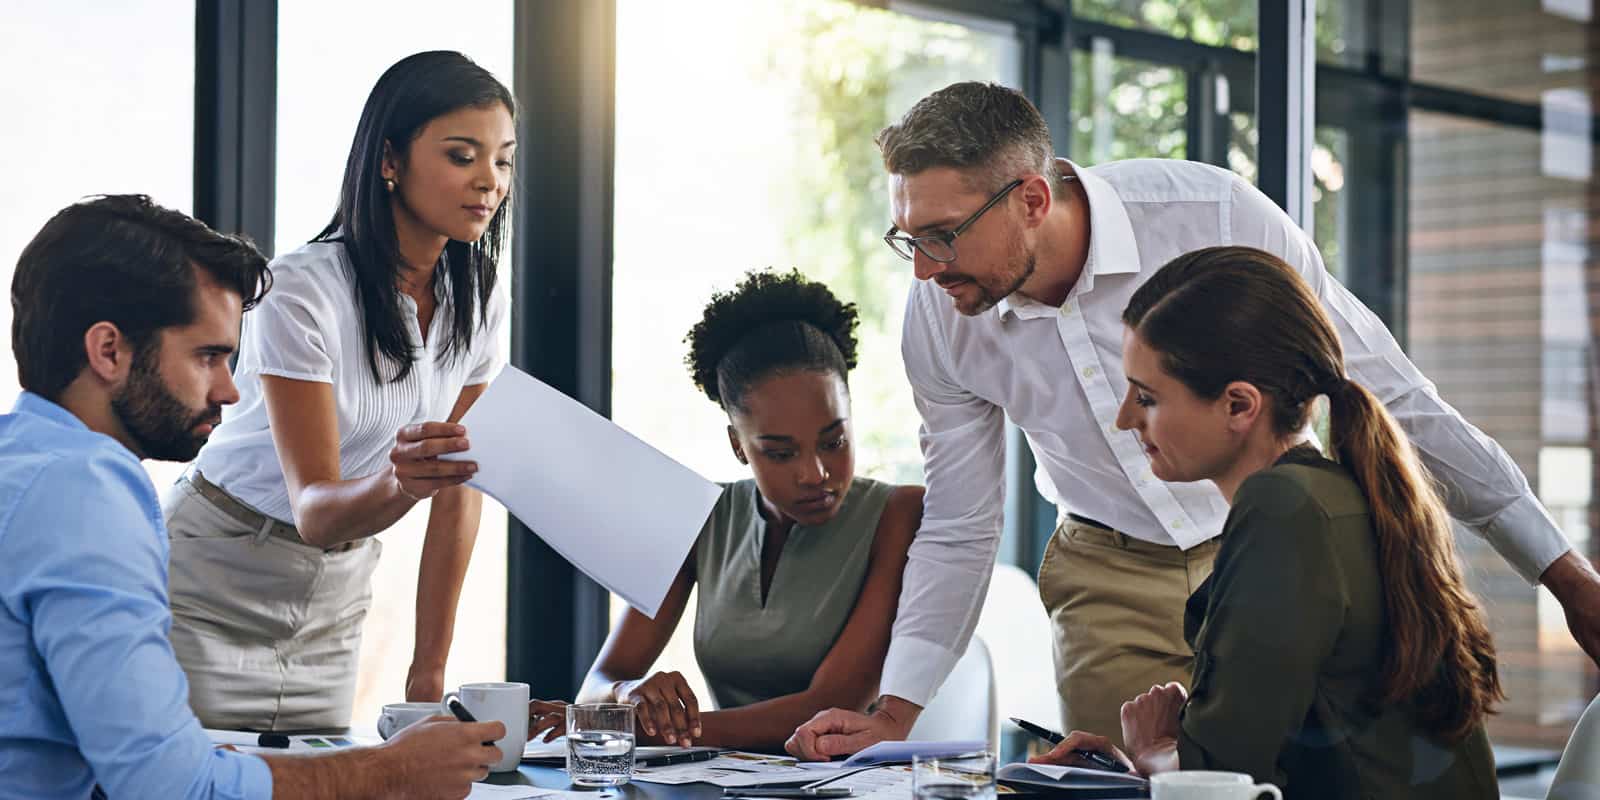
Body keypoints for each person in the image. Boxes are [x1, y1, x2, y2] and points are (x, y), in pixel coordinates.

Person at [785, 80, 1600, 759]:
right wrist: (897, 713)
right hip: (1110, 576)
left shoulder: (1210, 217)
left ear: (1031, 198)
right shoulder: (939, 318)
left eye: (942, 235)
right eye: (907, 239)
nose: (924, 269)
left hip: (1278, 551)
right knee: (1125, 781)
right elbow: (963, 520)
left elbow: (1391, 391)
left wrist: (1564, 575)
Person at [0, 194, 505, 800]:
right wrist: (391, 769)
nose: (230, 391)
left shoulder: (25, 461)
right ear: (109, 351)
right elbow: (169, 786)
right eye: (207, 357)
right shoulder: (87, 496)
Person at [1028, 246, 1501, 798]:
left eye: (1148, 397)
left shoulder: (1283, 510)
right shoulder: (1331, 493)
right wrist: (1158, 754)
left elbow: (1230, 780)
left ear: (1238, 406)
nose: (1125, 417)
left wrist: (1155, 753)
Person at [163, 50, 514, 729]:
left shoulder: (480, 295)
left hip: (335, 596)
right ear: (389, 160)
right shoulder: (301, 289)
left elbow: (459, 487)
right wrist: (404, 483)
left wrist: (429, 668)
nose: (488, 182)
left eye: (502, 160)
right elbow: (317, 508)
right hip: (213, 578)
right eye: (462, 155)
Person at [536, 270, 921, 753]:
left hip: (857, 784)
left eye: (834, 441)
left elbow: (829, 705)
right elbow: (600, 681)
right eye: (781, 453)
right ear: (738, 446)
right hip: (724, 783)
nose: (816, 473)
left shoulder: (898, 513)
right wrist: (625, 695)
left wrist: (633, 727)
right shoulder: (699, 516)